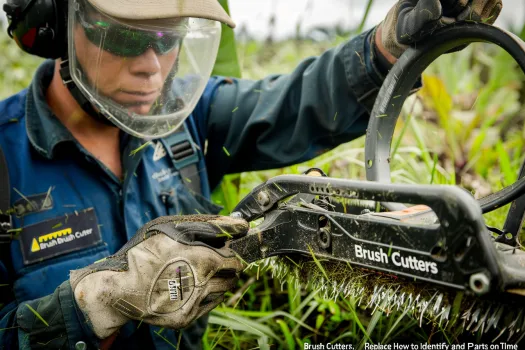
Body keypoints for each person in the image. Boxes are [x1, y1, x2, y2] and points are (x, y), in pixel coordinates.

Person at [0, 0, 501, 348]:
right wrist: (93, 306)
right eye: (128, 38)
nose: (153, 67)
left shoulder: (188, 125)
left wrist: (386, 52)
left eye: (168, 39)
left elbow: (292, 105)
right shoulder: (6, 159)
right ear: (57, 23)